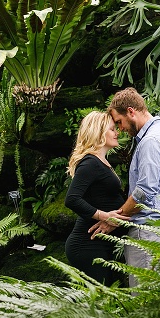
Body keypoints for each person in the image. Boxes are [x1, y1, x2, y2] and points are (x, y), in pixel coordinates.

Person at [89, 87, 160, 287]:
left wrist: (115, 219)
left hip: (150, 233)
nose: (120, 129)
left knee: (145, 302)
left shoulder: (150, 141)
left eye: (119, 122)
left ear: (131, 111)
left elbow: (144, 192)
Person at [64, 111, 130, 285]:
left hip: (100, 244)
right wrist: (104, 216)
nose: (117, 133)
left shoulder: (102, 162)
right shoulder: (90, 163)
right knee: (100, 302)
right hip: (87, 245)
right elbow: (72, 199)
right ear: (98, 133)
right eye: (112, 129)